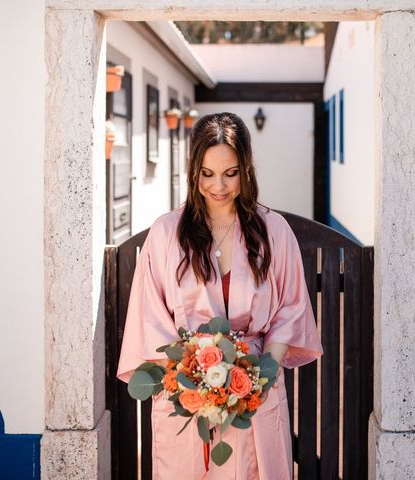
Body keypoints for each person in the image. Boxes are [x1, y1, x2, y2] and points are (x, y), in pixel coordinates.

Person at [117, 112, 322, 479]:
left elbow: (290, 310)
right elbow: (150, 316)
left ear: (247, 170)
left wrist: (258, 379)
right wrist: (192, 380)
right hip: (185, 396)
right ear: (194, 170)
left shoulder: (274, 232)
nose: (219, 187)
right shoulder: (166, 234)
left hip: (255, 390)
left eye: (231, 173)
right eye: (207, 174)